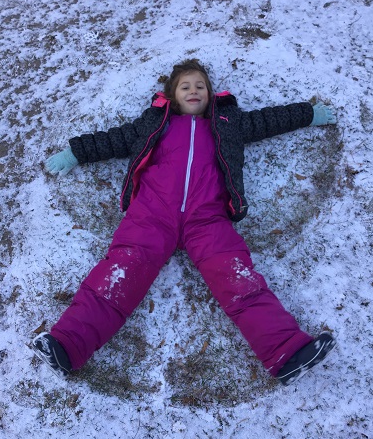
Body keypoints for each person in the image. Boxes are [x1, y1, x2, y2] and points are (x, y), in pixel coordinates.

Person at [32, 59, 337, 386]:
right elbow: (113, 140)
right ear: (173, 97)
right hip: (151, 215)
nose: (194, 91)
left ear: (210, 94)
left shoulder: (226, 122)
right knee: (119, 275)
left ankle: (286, 352)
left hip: (208, 219)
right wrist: (75, 153)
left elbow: (268, 120)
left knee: (238, 280)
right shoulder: (154, 124)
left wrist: (308, 114)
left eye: (200, 86)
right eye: (186, 87)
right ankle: (67, 345)